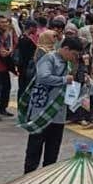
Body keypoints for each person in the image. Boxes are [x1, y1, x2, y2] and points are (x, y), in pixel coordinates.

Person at [21, 37, 83, 174]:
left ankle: (47, 179)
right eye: (73, 54)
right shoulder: (49, 58)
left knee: (52, 151)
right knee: (34, 150)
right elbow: (43, 76)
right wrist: (63, 79)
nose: (74, 57)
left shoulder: (68, 63)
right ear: (66, 49)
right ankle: (27, 178)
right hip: (42, 111)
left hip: (58, 114)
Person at [16, 19, 39, 95]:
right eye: (35, 27)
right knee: (25, 87)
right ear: (31, 28)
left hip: (22, 66)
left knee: (22, 86)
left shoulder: (21, 37)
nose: (36, 29)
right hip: (26, 67)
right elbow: (29, 54)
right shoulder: (27, 40)